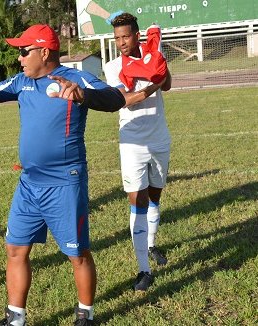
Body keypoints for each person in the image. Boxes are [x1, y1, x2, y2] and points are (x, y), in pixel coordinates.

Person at [0, 24, 125, 326]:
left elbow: (115, 98)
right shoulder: (22, 81)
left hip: (64, 183)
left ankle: (85, 316)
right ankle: (15, 318)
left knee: (77, 254)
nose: (19, 58)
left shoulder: (75, 78)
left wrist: (83, 97)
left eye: (23, 51)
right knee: (16, 249)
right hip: (29, 184)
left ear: (44, 52)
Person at [103, 13, 172, 292]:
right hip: (131, 141)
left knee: (155, 196)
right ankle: (143, 269)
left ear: (137, 34)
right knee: (137, 201)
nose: (121, 42)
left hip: (159, 138)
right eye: (117, 37)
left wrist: (157, 65)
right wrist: (152, 82)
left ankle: (152, 245)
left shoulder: (153, 55)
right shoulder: (112, 67)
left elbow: (167, 84)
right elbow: (125, 101)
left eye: (126, 36)